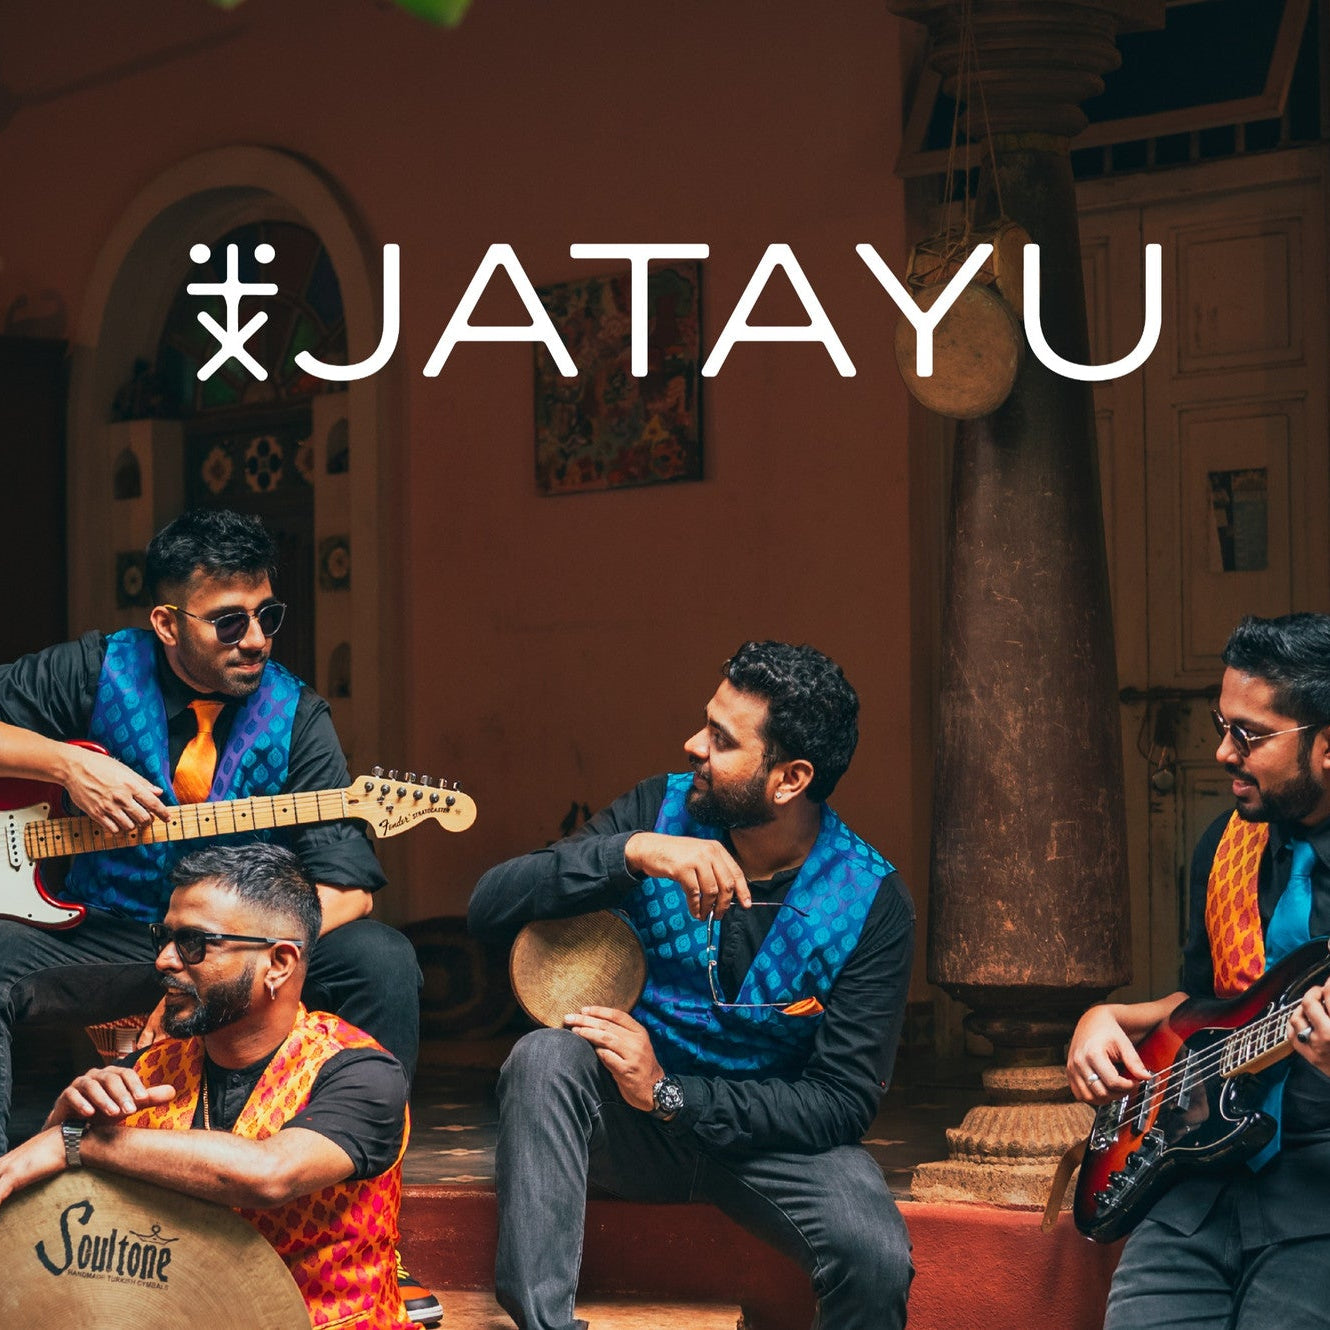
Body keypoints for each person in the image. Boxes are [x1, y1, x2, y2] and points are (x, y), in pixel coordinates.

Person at [0, 507, 441, 1325]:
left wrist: (251, 950)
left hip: (235, 955)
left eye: (268, 616)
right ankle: (6, 1224)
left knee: (381, 956)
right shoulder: (92, 670)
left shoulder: (298, 717)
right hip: (103, 933)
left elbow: (349, 885)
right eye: (229, 621)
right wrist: (62, 762)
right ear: (166, 622)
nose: (257, 639)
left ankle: (379, 1231)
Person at [469, 640, 915, 1330]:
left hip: (766, 1144)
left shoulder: (871, 900)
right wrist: (633, 851)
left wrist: (672, 1093)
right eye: (705, 723)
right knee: (544, 1058)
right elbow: (490, 905)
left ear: (790, 778)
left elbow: (840, 1104)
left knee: (874, 1255)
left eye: (720, 739)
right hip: (623, 1129)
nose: (692, 745)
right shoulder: (658, 811)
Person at [0, 842, 413, 1328]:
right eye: (165, 938)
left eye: (194, 943)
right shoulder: (149, 1067)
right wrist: (64, 1122)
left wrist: (77, 1144)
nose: (164, 961)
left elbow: (270, 1174)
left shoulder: (362, 1073)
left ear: (278, 963)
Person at [1067, 613, 1330, 1330]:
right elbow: (1213, 1004)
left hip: (1318, 1200)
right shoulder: (1225, 845)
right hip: (1197, 1188)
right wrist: (1108, 1018)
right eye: (1223, 725)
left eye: (1250, 735)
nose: (1221, 752)